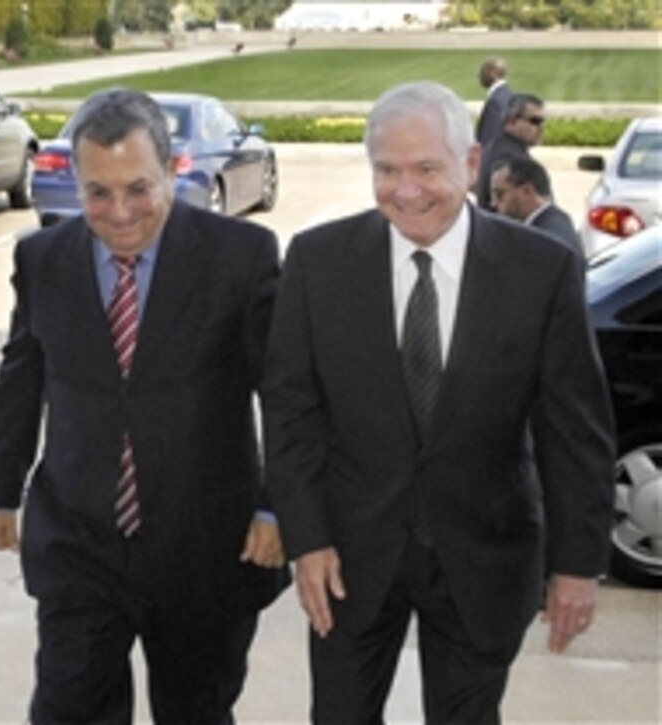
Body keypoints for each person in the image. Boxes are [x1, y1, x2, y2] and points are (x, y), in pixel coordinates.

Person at [263, 81, 615, 723]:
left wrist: (576, 565)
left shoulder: (543, 272)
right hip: (350, 559)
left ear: (472, 164)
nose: (406, 190)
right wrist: (305, 538)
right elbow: (291, 410)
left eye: (427, 168)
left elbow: (575, 432)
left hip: (486, 557)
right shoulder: (318, 264)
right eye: (387, 170)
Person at [0, 88, 289, 723]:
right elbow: (21, 373)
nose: (119, 212)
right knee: (68, 707)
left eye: (138, 188)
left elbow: (284, 392)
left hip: (204, 546)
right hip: (80, 541)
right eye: (98, 192)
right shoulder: (42, 259)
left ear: (173, 169)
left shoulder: (241, 258)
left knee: (194, 711)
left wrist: (275, 505)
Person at [490, 156, 584, 256]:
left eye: (499, 194)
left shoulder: (539, 239)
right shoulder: (560, 221)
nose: (493, 203)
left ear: (527, 191)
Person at [475, 92, 546, 210]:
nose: (540, 128)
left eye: (542, 122)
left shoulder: (500, 147)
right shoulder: (510, 158)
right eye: (534, 121)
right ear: (512, 122)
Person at [475, 56, 512, 147]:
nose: (480, 75)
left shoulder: (495, 101)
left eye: (483, 71)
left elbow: (489, 138)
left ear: (493, 73)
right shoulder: (509, 95)